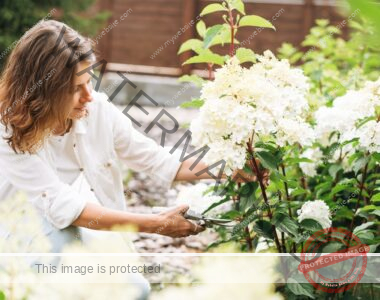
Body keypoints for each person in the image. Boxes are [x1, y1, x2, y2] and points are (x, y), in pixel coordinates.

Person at [0, 20, 262, 299]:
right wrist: (156, 223)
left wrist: (228, 168)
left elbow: (158, 160)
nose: (89, 96)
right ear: (45, 91)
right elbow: (64, 207)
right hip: (19, 231)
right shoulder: (8, 130)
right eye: (76, 88)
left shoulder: (97, 109)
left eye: (89, 80)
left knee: (135, 290)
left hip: (69, 225)